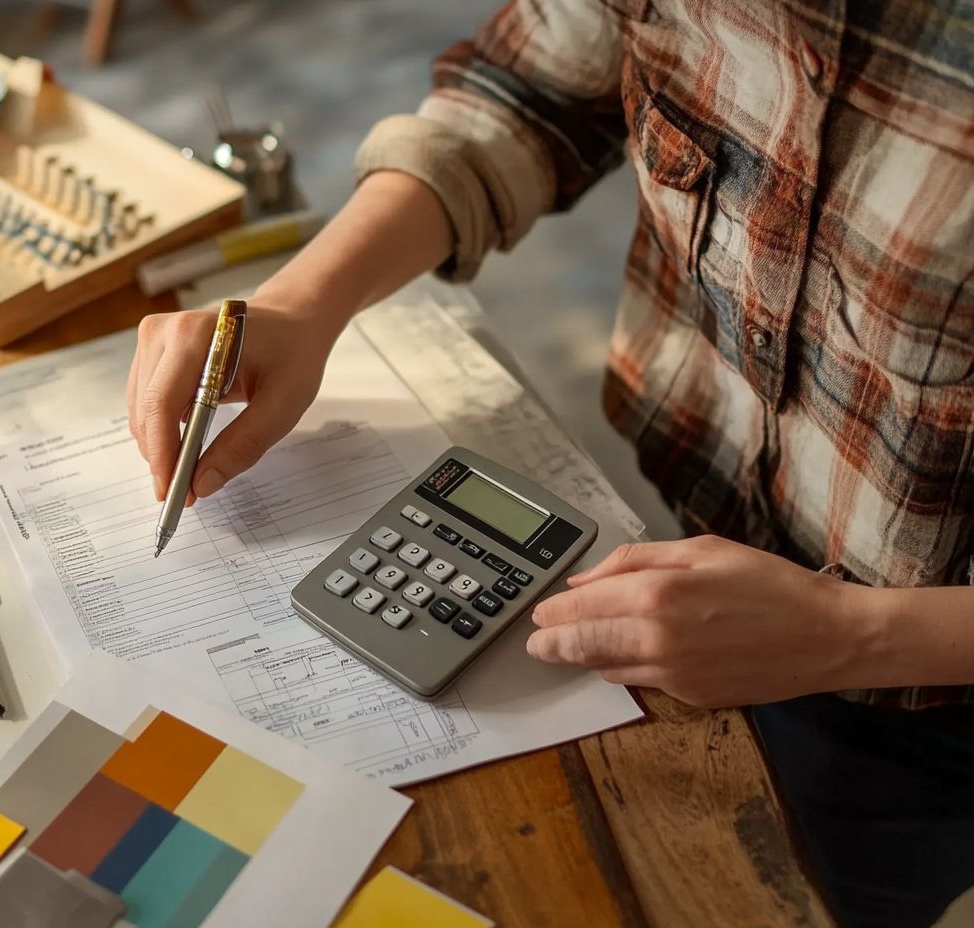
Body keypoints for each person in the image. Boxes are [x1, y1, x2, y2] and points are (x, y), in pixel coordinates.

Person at [127, 3, 974, 925]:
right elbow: (533, 91)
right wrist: (303, 299)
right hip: (702, 525)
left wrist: (856, 635)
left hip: (922, 690)